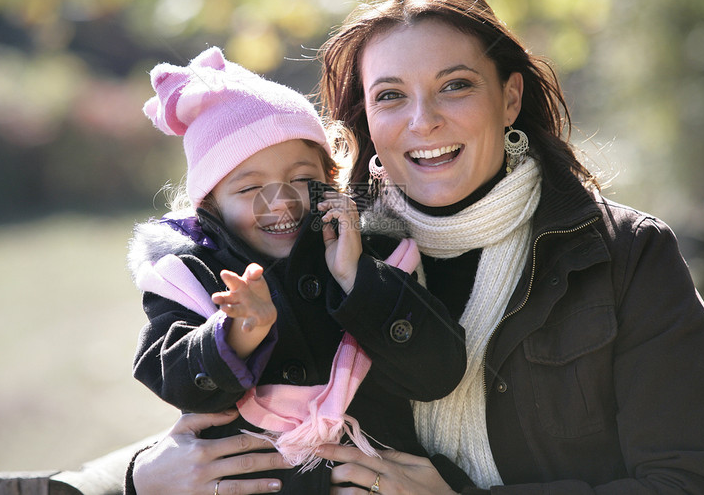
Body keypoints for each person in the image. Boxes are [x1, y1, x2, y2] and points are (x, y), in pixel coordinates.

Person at [128, 0, 704, 494]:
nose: (423, 121)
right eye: (391, 95)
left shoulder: (623, 256)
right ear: (364, 118)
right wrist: (142, 476)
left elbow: (693, 483)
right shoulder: (325, 259)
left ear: (509, 98)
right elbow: (244, 412)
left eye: (455, 85)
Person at [126, 46, 467, 494]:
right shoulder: (190, 276)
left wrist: (354, 278)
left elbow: (437, 373)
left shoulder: (375, 254)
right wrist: (238, 333)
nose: (283, 201)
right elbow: (179, 385)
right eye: (249, 187)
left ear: (331, 176)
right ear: (210, 203)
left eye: (303, 180)